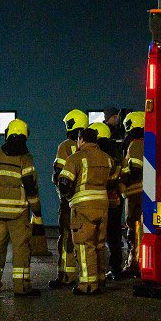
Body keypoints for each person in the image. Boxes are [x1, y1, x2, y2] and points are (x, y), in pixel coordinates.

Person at [0, 119, 43, 296]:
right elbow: (30, 187)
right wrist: (37, 210)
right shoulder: (25, 158)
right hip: (19, 213)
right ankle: (21, 287)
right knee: (21, 250)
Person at [57, 123, 114, 295]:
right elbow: (114, 177)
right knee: (99, 244)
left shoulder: (75, 158)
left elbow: (64, 183)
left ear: (81, 140)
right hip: (103, 207)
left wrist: (67, 197)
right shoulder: (106, 158)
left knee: (84, 244)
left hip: (83, 207)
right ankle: (100, 278)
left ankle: (87, 284)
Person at [51, 109, 88, 287]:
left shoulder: (65, 146)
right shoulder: (91, 148)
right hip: (88, 202)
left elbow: (59, 174)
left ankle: (66, 275)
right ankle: (90, 276)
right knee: (88, 239)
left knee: (66, 237)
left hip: (69, 202)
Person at [95, 122, 126, 280]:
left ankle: (104, 270)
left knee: (102, 236)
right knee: (114, 236)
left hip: (104, 198)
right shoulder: (116, 151)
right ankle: (116, 268)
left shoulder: (102, 154)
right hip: (116, 199)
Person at [120, 111, 146, 277]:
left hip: (135, 192)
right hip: (143, 191)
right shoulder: (148, 141)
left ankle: (134, 263)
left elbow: (135, 168)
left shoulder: (135, 144)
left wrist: (123, 179)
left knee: (133, 227)